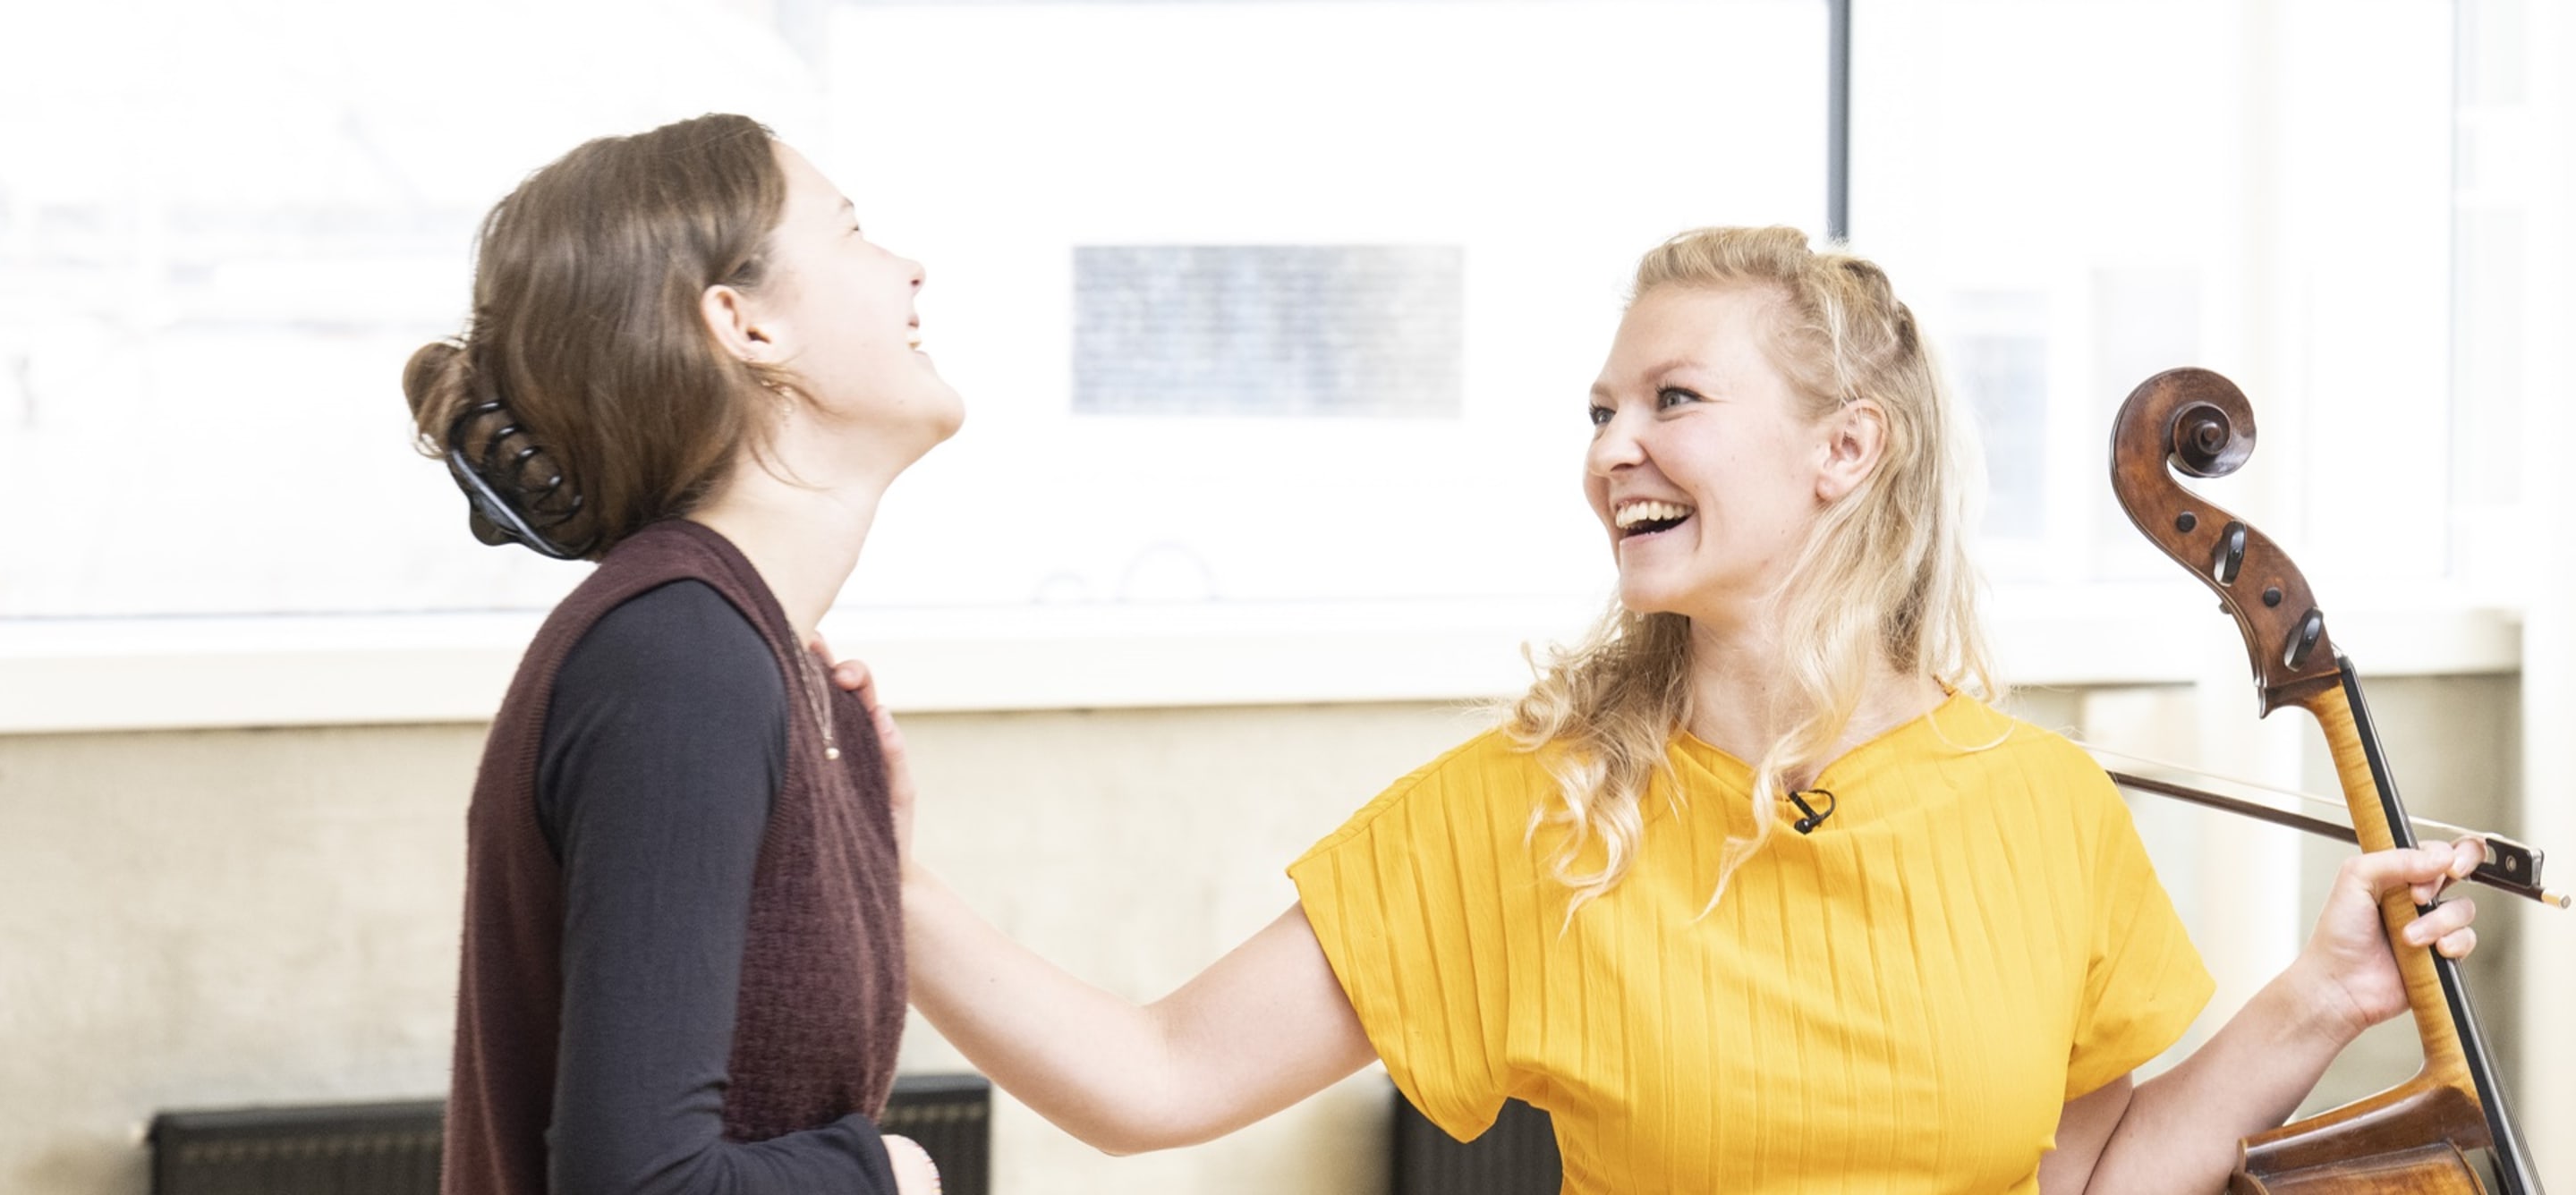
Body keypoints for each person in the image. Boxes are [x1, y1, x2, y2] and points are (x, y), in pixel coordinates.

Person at [841, 225, 2486, 1192]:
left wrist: (2317, 997)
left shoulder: (2036, 806)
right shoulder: (1530, 814)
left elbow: (2093, 1181)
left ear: (1845, 451)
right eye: (1600, 408)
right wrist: (874, 872)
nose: (1609, 446)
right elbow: (1145, 1078)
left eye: (1672, 400)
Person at [402, 114, 959, 1195]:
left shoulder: (761, 658)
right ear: (744, 325)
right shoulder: (678, 658)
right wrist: (888, 1177)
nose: (909, 267)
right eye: (853, 234)